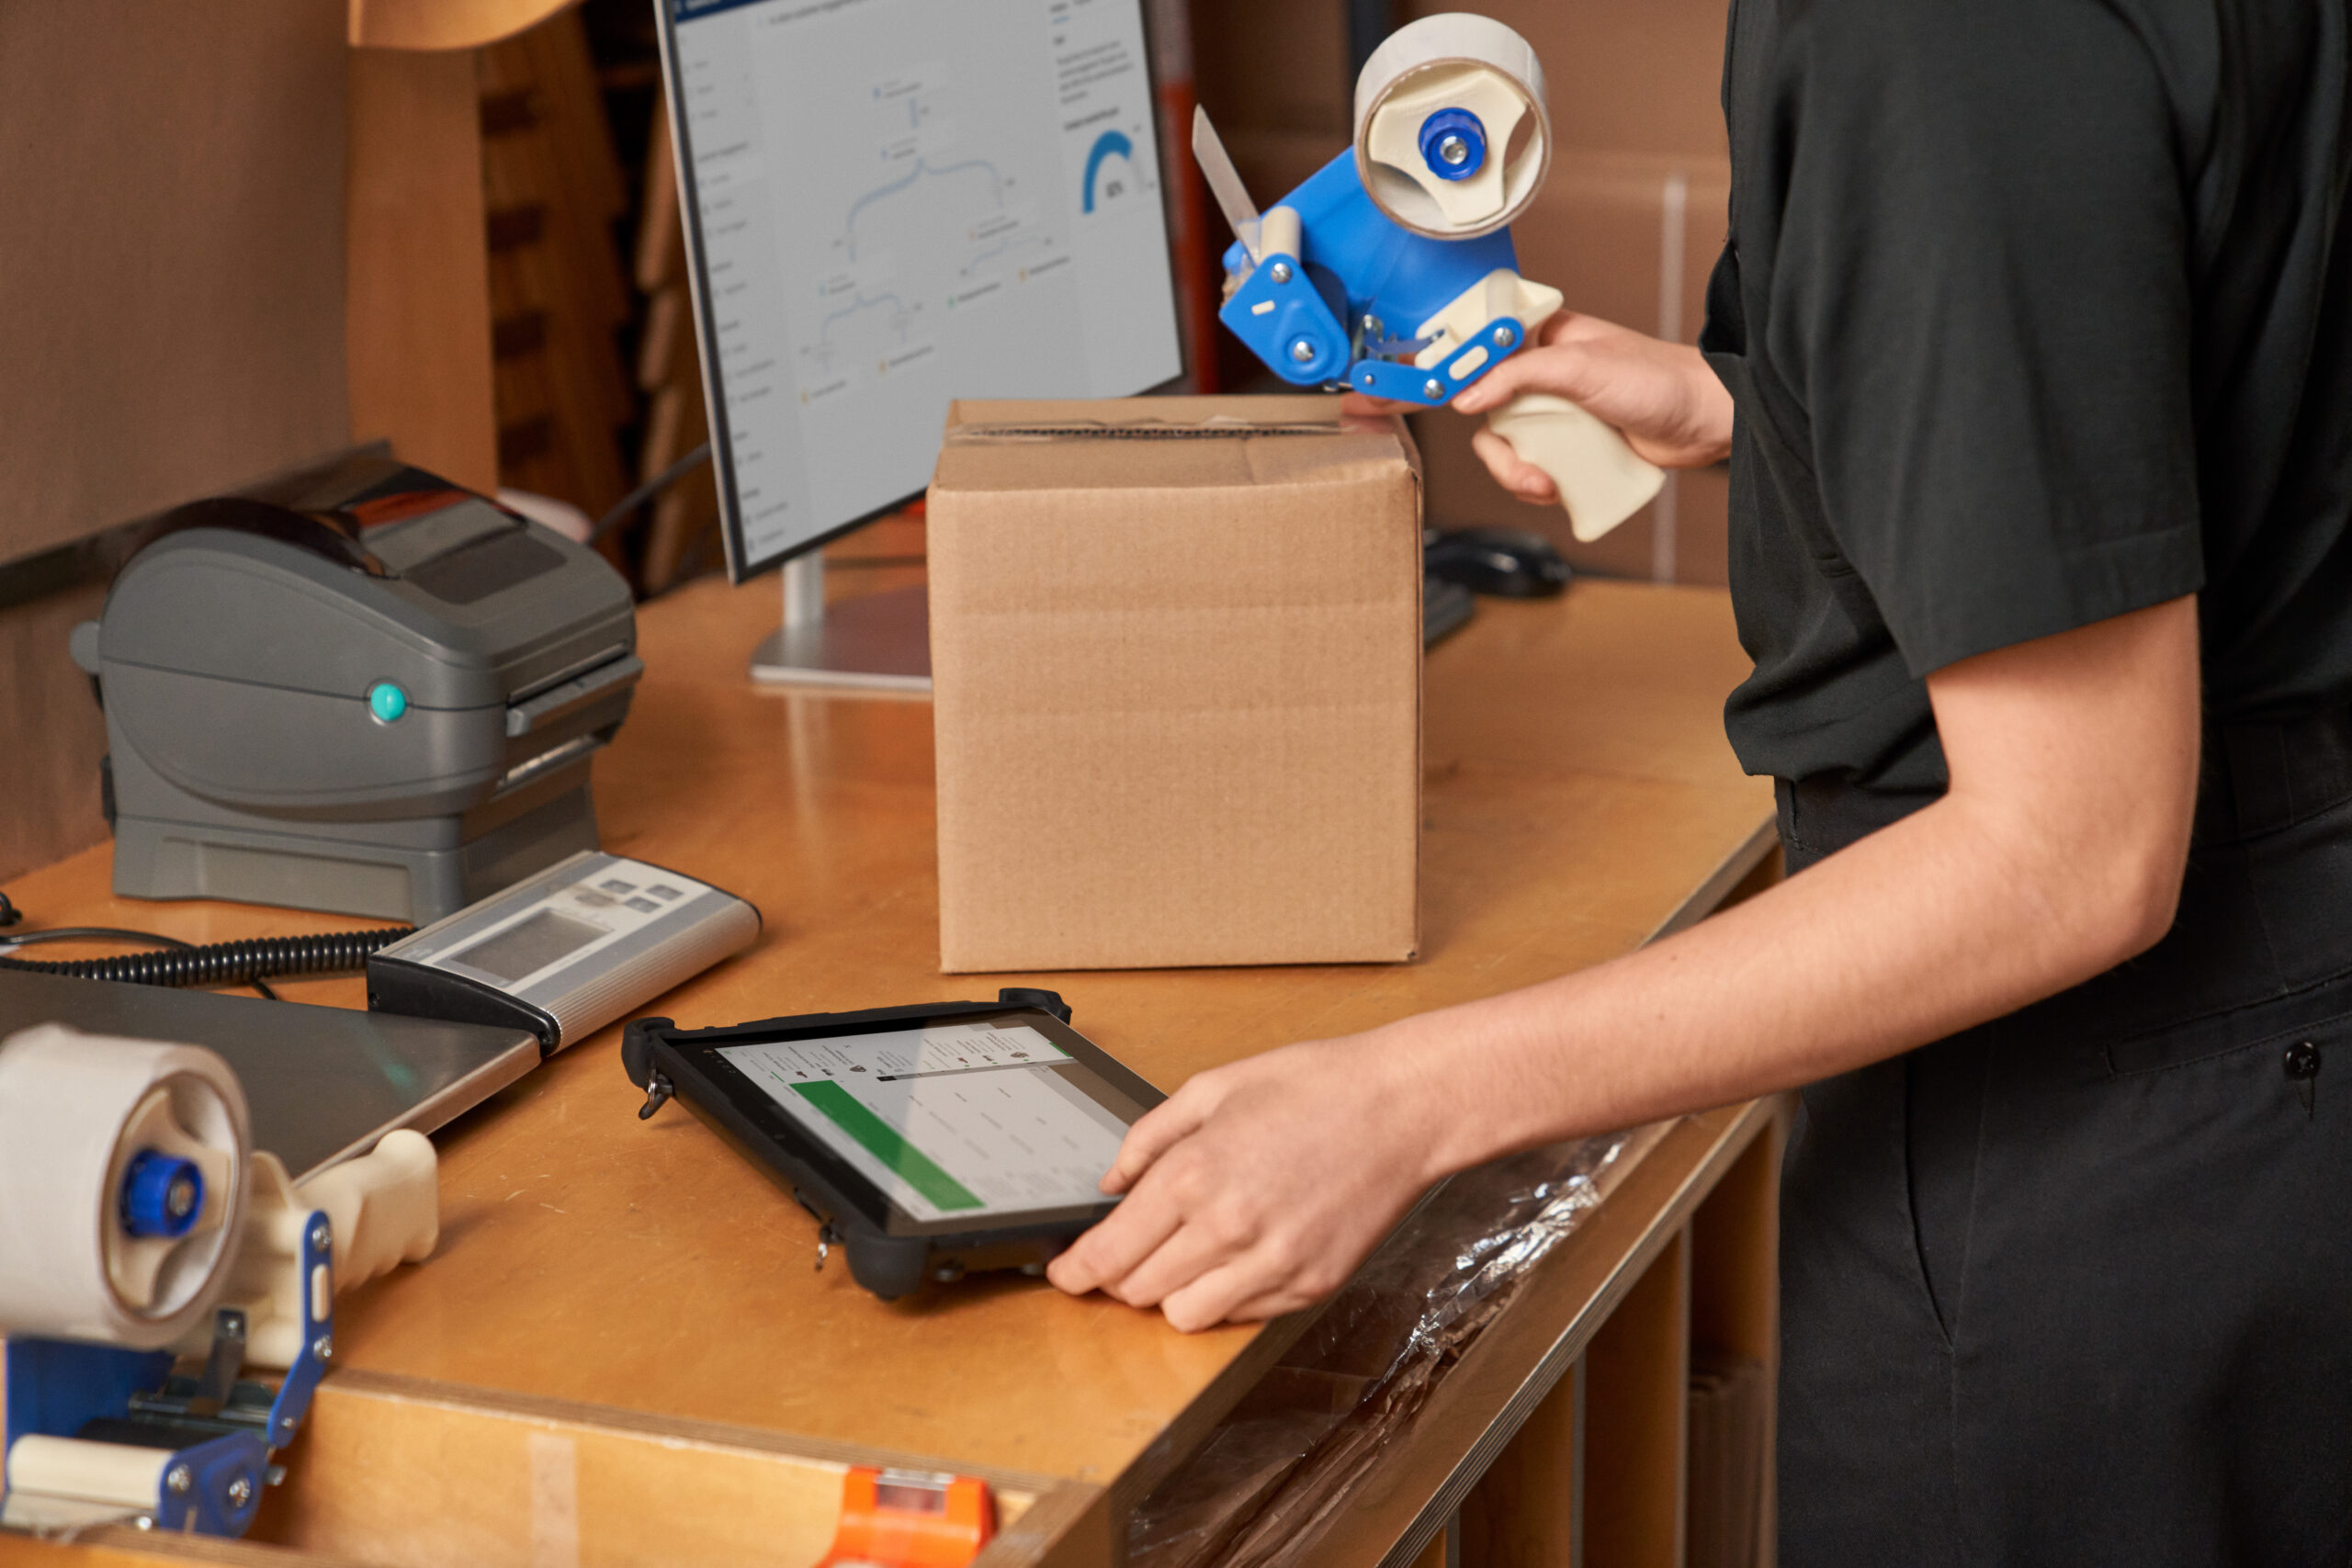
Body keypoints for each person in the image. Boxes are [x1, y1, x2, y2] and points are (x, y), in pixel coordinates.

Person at [1047, 1, 2352, 1562]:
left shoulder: (1935, 43)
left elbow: (2071, 854)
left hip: (2096, 1131)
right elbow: (2194, 328)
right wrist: (1769, 410)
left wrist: (1395, 1104)